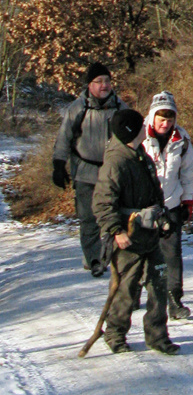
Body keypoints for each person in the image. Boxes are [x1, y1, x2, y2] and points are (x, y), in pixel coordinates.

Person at [91, 108, 180, 355]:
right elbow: (101, 203)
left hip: (149, 234)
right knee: (126, 289)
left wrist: (162, 217)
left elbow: (155, 192)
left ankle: (157, 336)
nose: (145, 128)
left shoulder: (140, 156)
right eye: (140, 125)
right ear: (130, 131)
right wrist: (116, 231)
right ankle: (115, 333)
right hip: (128, 237)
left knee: (158, 284)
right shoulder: (116, 162)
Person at [52, 62, 126, 276]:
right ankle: (94, 259)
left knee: (115, 216)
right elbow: (64, 138)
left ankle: (115, 256)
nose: (104, 85)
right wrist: (58, 164)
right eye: (99, 81)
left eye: (107, 81)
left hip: (113, 172)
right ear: (90, 85)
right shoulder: (78, 107)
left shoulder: (121, 108)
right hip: (84, 171)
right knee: (88, 218)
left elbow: (135, 136)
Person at [141, 91, 193, 320]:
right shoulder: (139, 138)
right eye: (161, 119)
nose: (165, 124)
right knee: (142, 252)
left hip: (171, 203)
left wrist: (187, 202)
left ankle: (175, 299)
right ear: (152, 117)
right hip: (144, 206)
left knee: (173, 254)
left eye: (170, 119)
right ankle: (139, 288)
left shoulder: (182, 140)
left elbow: (188, 173)